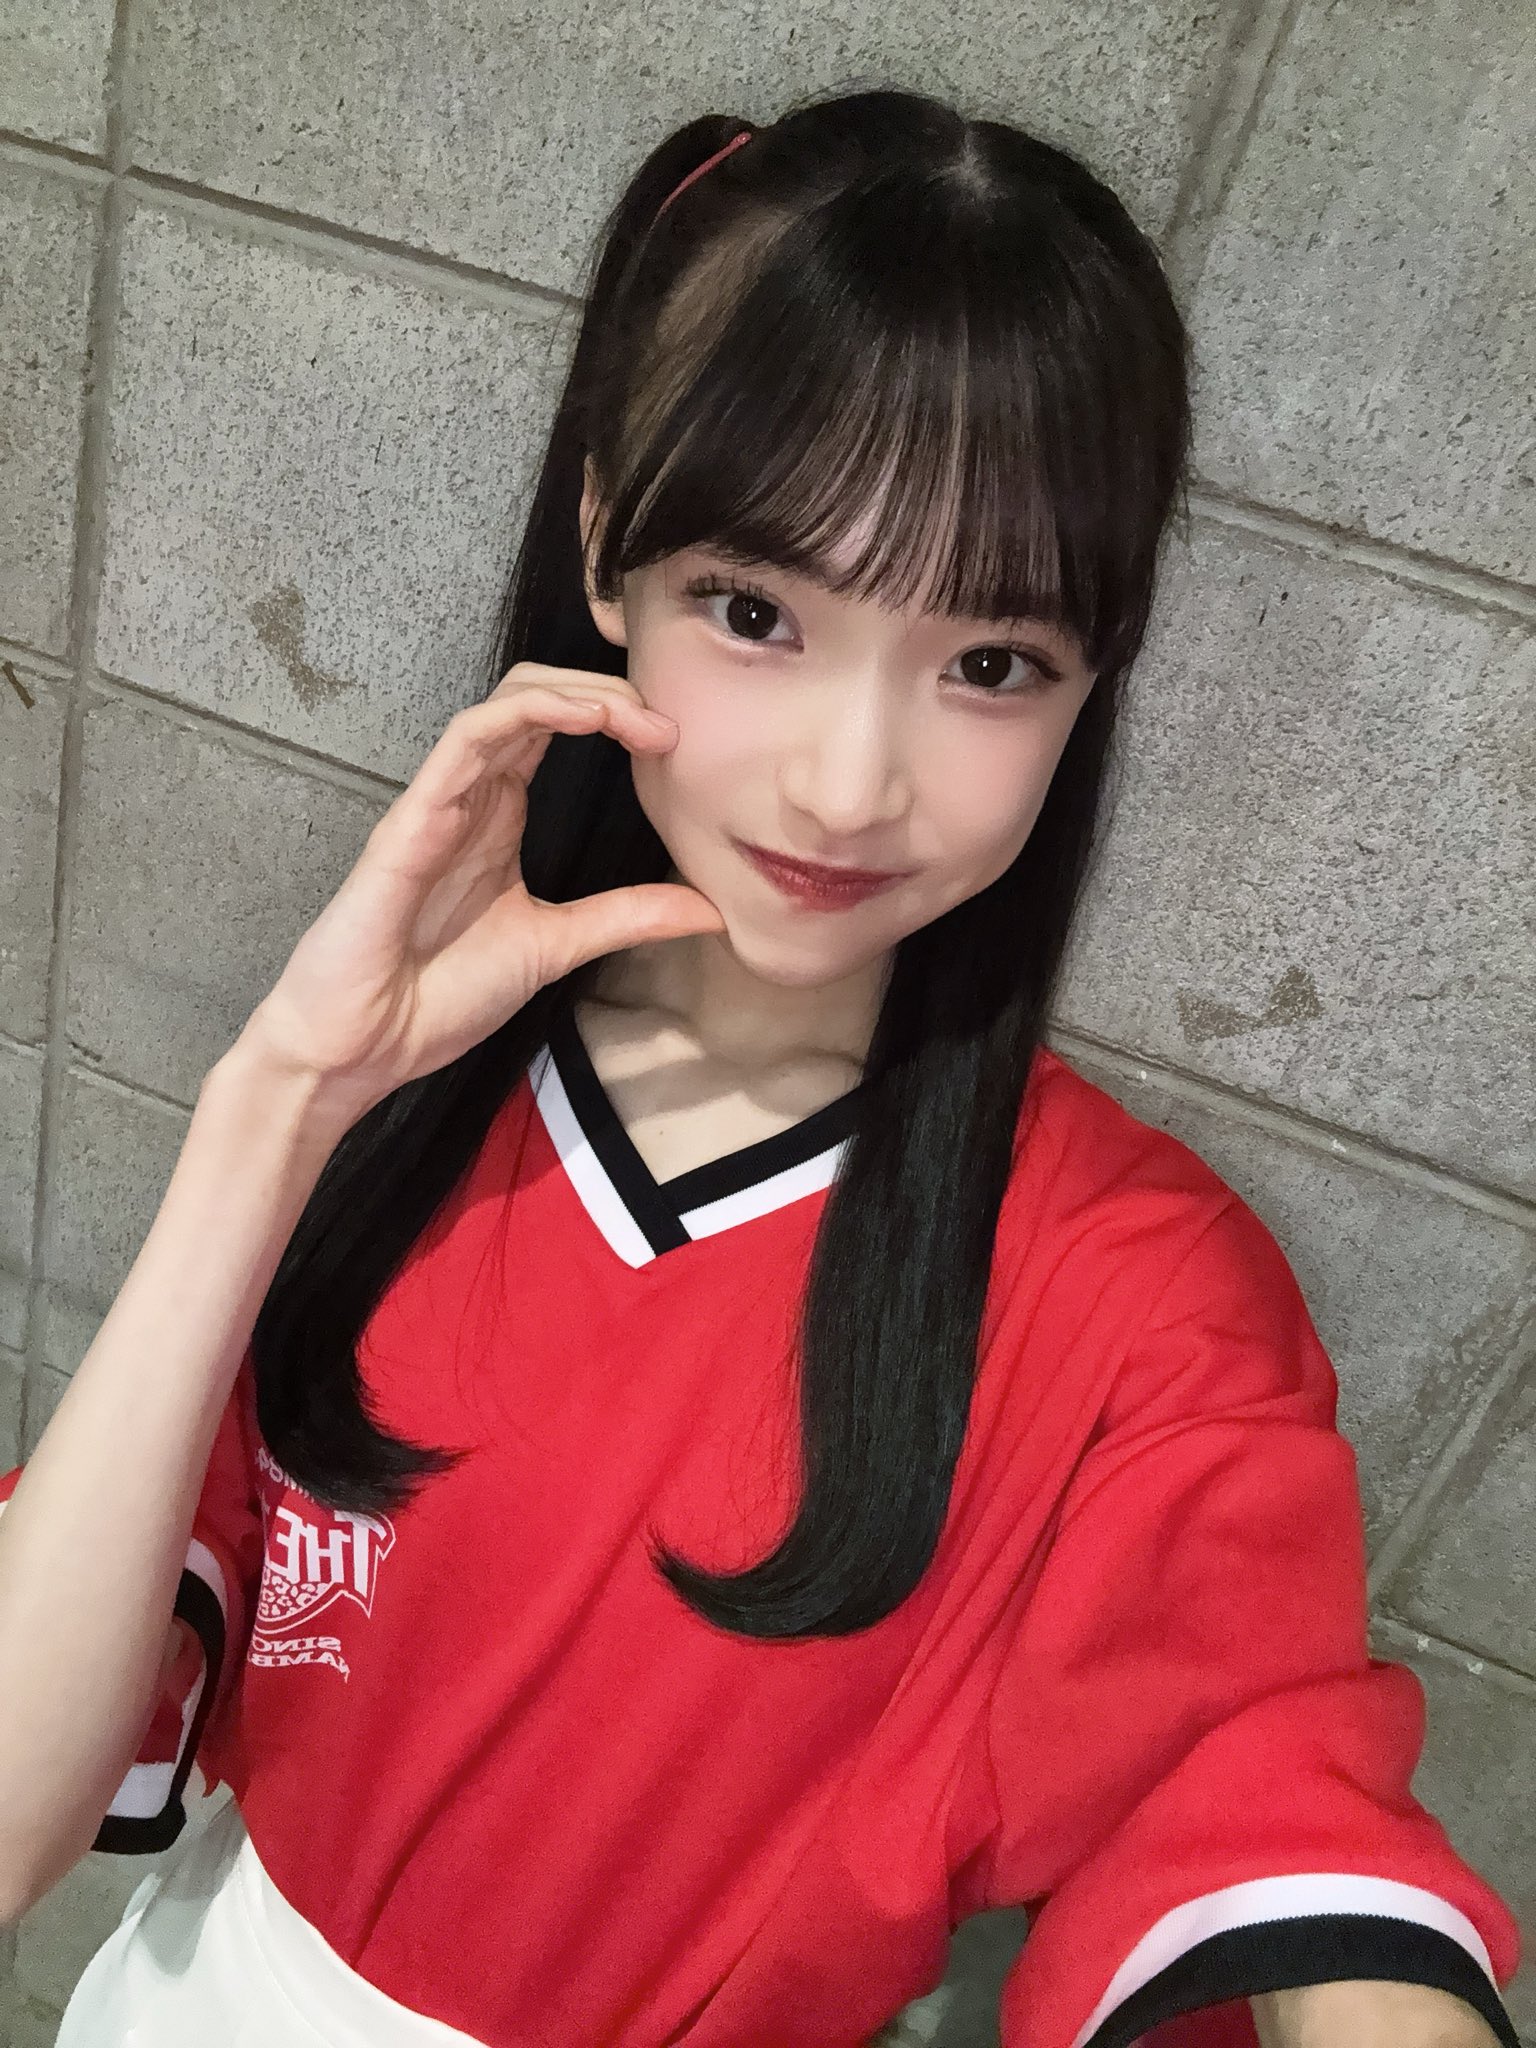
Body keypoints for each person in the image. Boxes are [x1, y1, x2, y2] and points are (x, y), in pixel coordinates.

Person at [0, 85, 1521, 2048]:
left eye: (991, 664)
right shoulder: (392, 1113)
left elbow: (1278, 1806)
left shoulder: (1141, 1302)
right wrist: (271, 1106)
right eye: (756, 613)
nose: (849, 782)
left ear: (1094, 677)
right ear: (604, 552)